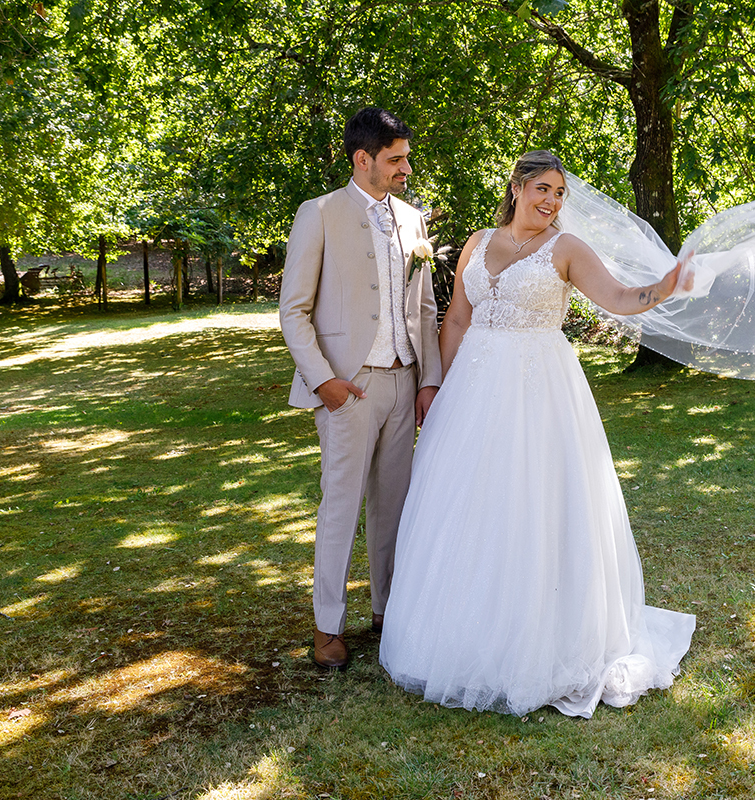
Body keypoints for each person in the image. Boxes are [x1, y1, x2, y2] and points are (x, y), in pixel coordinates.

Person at [378, 151, 696, 718]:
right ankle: (461, 635)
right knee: (467, 506)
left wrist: (664, 288)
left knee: (534, 500)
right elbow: (456, 318)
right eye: (543, 189)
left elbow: (620, 299)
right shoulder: (479, 242)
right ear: (518, 186)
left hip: (540, 389)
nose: (551, 202)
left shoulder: (567, 249)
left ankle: (540, 639)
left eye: (559, 195)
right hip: (473, 388)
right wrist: (441, 388)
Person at [279, 107, 442, 669]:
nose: (405, 168)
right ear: (362, 159)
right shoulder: (318, 214)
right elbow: (293, 310)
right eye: (395, 159)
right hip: (347, 389)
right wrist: (323, 380)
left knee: (394, 507)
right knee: (341, 507)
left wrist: (431, 379)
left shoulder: (414, 220)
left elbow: (424, 308)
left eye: (406, 157)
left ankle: (387, 610)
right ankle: (328, 626)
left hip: (404, 384)